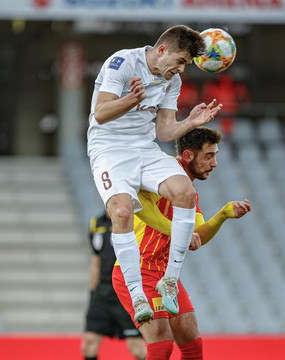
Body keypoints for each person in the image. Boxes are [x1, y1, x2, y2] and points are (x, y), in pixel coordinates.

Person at [87, 24, 223, 324]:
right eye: (181, 61)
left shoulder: (171, 80)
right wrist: (131, 100)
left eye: (185, 64)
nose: (181, 69)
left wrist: (190, 122)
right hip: (109, 148)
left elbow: (163, 131)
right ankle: (137, 294)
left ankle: (170, 281)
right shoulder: (121, 62)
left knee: (185, 192)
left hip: (144, 148)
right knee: (121, 211)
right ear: (162, 50)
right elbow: (100, 113)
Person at [113, 127, 252, 360]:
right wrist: (177, 231)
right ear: (187, 156)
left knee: (192, 342)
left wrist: (223, 215)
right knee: (161, 344)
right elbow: (138, 202)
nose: (215, 163)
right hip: (138, 268)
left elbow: (195, 237)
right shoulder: (161, 171)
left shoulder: (188, 193)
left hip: (166, 274)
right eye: (209, 156)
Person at [81, 212, 146, 360]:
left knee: (136, 347)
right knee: (89, 344)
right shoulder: (96, 223)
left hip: (126, 292)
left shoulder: (135, 220)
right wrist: (93, 294)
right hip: (102, 292)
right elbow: (96, 259)